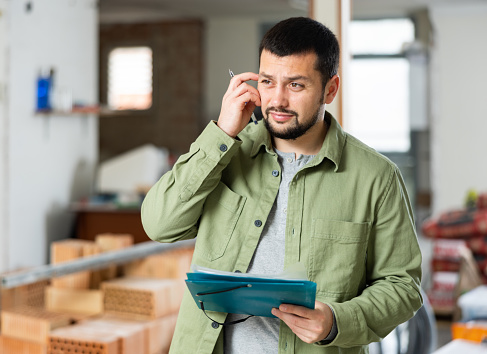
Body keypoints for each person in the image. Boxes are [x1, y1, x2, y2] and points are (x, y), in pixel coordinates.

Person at [141, 16, 423, 354]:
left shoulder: (377, 177)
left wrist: (337, 321)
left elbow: (402, 285)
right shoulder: (225, 152)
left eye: (296, 85)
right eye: (267, 81)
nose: (277, 100)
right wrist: (222, 133)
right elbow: (159, 224)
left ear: (329, 89)